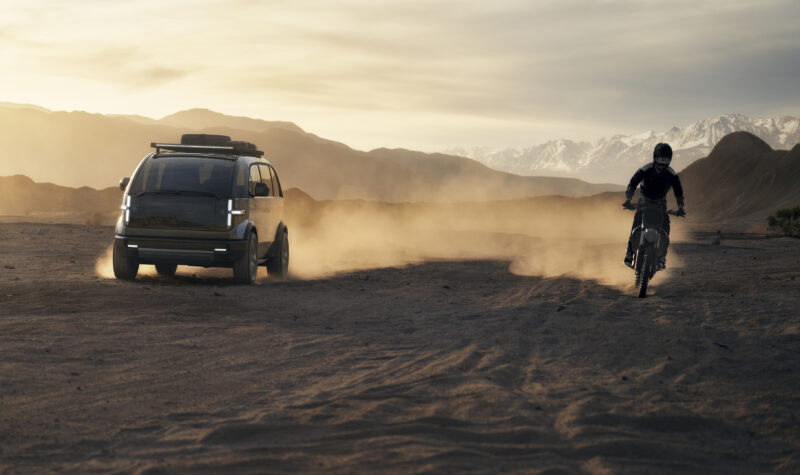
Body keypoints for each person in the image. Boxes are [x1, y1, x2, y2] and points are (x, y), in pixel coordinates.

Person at [623, 143, 685, 270]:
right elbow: (633, 182)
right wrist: (628, 199)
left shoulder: (671, 174)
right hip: (643, 200)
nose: (662, 162)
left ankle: (662, 257)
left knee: (666, 226)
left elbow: (678, 191)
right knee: (636, 222)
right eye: (660, 159)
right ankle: (629, 253)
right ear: (654, 157)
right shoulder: (646, 169)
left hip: (660, 202)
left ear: (670, 159)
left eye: (665, 159)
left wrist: (680, 207)